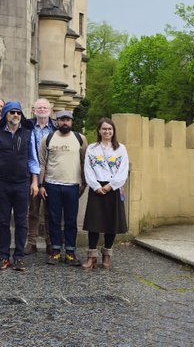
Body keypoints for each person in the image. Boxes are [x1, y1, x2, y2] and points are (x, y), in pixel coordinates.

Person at [0, 102, 40, 271]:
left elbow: (33, 159)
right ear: (6, 115)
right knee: (3, 220)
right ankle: (4, 255)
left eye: (18, 113)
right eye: (12, 112)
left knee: (22, 221)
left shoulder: (29, 133)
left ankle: (19, 256)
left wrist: (35, 181)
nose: (16, 115)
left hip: (22, 183)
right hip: (2, 183)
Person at [38, 109, 86, 265]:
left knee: (71, 220)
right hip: (52, 185)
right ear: (56, 122)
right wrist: (41, 185)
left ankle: (71, 252)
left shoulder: (80, 139)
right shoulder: (48, 138)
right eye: (61, 120)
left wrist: (84, 183)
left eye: (68, 120)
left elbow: (85, 162)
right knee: (54, 220)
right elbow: (42, 164)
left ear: (71, 122)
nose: (65, 122)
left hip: (72, 185)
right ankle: (56, 251)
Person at [82, 118, 129, 270]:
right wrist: (95, 186)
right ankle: (92, 256)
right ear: (99, 131)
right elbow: (87, 169)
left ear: (113, 131)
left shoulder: (120, 149)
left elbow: (123, 170)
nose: (107, 131)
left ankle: (107, 255)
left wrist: (110, 186)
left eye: (110, 129)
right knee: (94, 224)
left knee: (111, 223)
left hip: (113, 188)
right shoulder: (92, 148)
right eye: (104, 129)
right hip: (96, 188)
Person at [26, 98, 56, 254]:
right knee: (33, 210)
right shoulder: (28, 126)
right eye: (39, 108)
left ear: (50, 110)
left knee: (50, 211)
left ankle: (50, 242)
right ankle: (31, 242)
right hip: (31, 173)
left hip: (51, 173)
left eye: (45, 107)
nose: (42, 110)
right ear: (34, 110)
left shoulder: (56, 128)